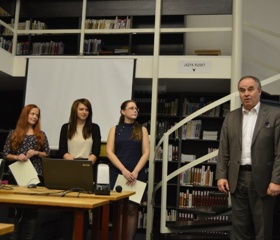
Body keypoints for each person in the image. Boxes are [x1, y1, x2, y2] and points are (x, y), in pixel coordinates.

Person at [216, 75, 280, 240]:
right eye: (242, 90)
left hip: (264, 181)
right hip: (237, 179)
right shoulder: (231, 117)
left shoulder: (274, 115)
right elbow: (224, 149)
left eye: (250, 89)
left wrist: (276, 180)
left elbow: (279, 151)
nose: (246, 93)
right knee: (239, 228)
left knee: (263, 229)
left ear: (259, 91)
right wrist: (221, 175)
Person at [3, 104, 50, 240]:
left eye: (37, 115)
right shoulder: (13, 133)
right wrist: (17, 156)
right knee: (14, 210)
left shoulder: (41, 135)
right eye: (32, 114)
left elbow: (47, 154)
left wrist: (36, 152)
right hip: (17, 176)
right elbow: (6, 154)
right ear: (25, 115)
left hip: (35, 177)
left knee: (31, 211)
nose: (35, 117)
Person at [106, 100, 150, 240]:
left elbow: (146, 153)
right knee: (118, 210)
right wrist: (124, 170)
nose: (135, 110)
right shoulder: (114, 129)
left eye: (136, 108)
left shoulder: (142, 129)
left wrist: (135, 171)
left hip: (136, 175)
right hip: (118, 173)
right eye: (131, 108)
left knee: (132, 209)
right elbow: (109, 152)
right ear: (123, 111)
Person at [58, 98, 101, 240]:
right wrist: (74, 164)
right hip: (69, 169)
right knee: (67, 210)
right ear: (75, 110)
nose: (84, 112)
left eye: (87, 110)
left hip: (87, 170)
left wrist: (86, 166)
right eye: (81, 109)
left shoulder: (94, 128)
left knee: (83, 209)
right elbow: (62, 150)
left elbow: (96, 151)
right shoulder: (66, 127)